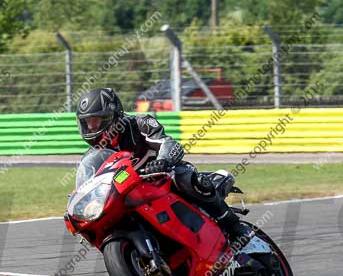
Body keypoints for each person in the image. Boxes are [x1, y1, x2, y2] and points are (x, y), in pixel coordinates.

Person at [75, 87, 251, 242]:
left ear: (111, 116)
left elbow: (170, 144)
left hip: (163, 178)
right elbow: (92, 184)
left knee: (183, 177)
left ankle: (234, 227)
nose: (92, 127)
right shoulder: (95, 155)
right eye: (87, 123)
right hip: (134, 193)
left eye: (96, 121)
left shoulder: (139, 124)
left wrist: (163, 161)